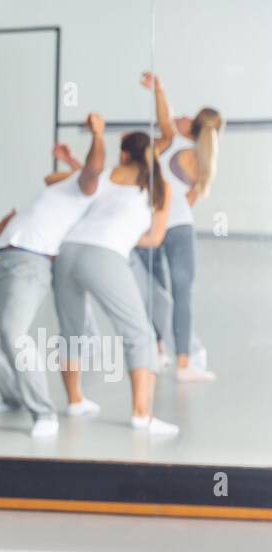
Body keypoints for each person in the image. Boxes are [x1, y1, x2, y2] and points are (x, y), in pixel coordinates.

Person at [0, 114, 106, 438]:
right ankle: (14, 395)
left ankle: (44, 413)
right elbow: (57, 175)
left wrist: (97, 134)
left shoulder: (87, 191)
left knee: (13, 334)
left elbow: (93, 171)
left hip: (30, 264)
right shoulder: (64, 188)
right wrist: (69, 160)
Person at [52, 130, 176, 435]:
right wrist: (125, 235)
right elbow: (154, 238)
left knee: (72, 329)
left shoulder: (107, 174)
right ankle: (142, 415)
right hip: (105, 253)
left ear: (123, 154)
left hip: (65, 251)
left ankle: (75, 400)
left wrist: (70, 162)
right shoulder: (159, 187)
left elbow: (59, 181)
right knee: (139, 334)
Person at [139, 71, 223, 381]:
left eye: (188, 116)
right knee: (181, 293)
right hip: (179, 229)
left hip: (152, 227)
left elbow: (165, 116)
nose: (181, 117)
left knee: (156, 291)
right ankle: (183, 362)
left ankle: (159, 350)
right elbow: (188, 202)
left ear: (192, 125)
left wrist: (159, 89)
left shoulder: (171, 141)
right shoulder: (205, 162)